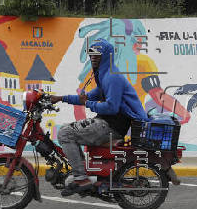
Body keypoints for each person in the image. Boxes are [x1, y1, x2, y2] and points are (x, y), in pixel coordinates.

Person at [51, 39, 180, 196]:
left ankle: (80, 178)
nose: (93, 58)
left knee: (65, 133)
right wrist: (60, 98)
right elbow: (84, 98)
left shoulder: (112, 77)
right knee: (68, 130)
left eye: (97, 55)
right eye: (91, 55)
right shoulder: (105, 75)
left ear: (106, 57)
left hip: (110, 126)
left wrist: (90, 104)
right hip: (106, 123)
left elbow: (112, 107)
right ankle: (81, 173)